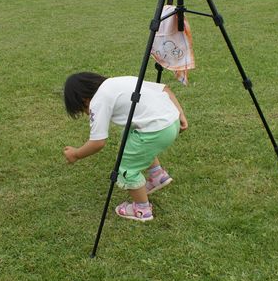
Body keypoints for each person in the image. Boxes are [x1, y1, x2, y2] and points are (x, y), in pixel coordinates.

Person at [63, 72, 187, 222]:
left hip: (156, 131)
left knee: (126, 166)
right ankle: (158, 175)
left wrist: (76, 154)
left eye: (83, 110)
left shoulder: (97, 101)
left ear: (84, 100)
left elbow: (98, 142)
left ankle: (142, 209)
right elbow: (164, 89)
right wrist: (181, 113)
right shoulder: (118, 81)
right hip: (172, 121)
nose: (86, 113)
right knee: (128, 136)